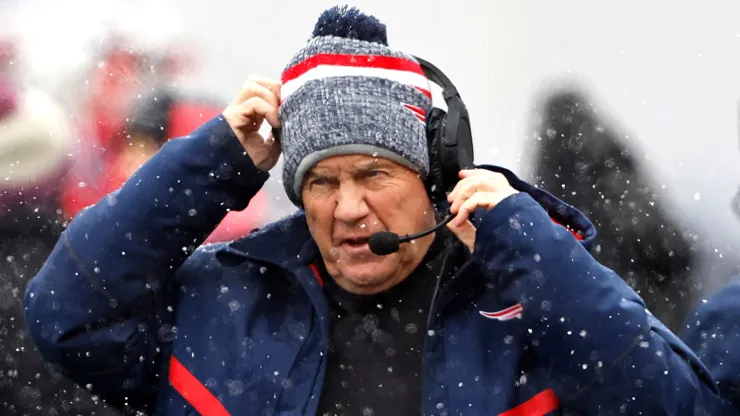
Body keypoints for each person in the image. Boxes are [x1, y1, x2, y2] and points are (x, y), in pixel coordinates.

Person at [23, 6, 736, 416]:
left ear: (437, 176)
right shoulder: (227, 304)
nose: (348, 207)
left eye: (373, 173)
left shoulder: (526, 317)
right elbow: (68, 315)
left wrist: (532, 246)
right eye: (323, 181)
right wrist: (214, 161)